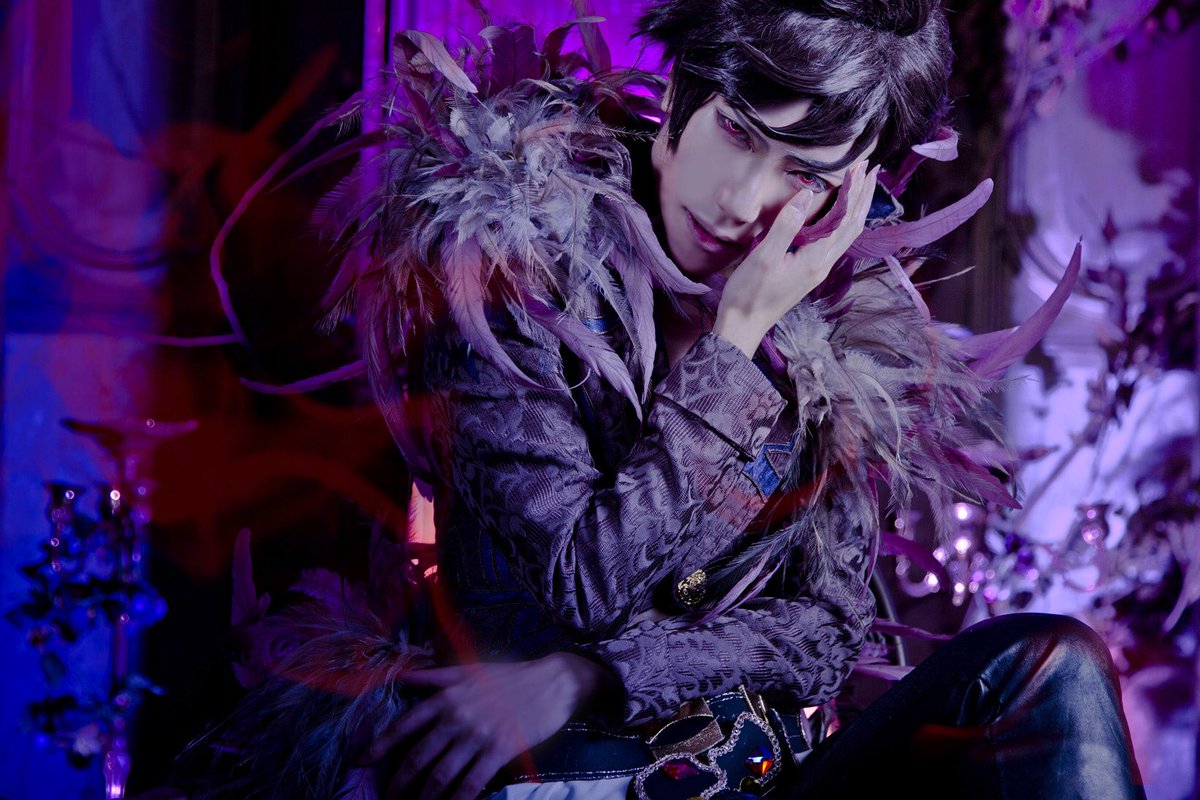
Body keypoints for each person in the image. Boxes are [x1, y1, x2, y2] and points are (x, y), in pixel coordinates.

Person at [196, 1, 1145, 799]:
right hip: (576, 777)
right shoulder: (513, 265)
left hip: (767, 776)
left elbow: (826, 630)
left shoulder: (842, 343)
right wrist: (732, 344)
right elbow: (583, 583)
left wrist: (595, 674)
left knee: (1050, 663)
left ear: (852, 197)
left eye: (804, 176)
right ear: (687, 92)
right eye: (738, 132)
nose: (741, 201)